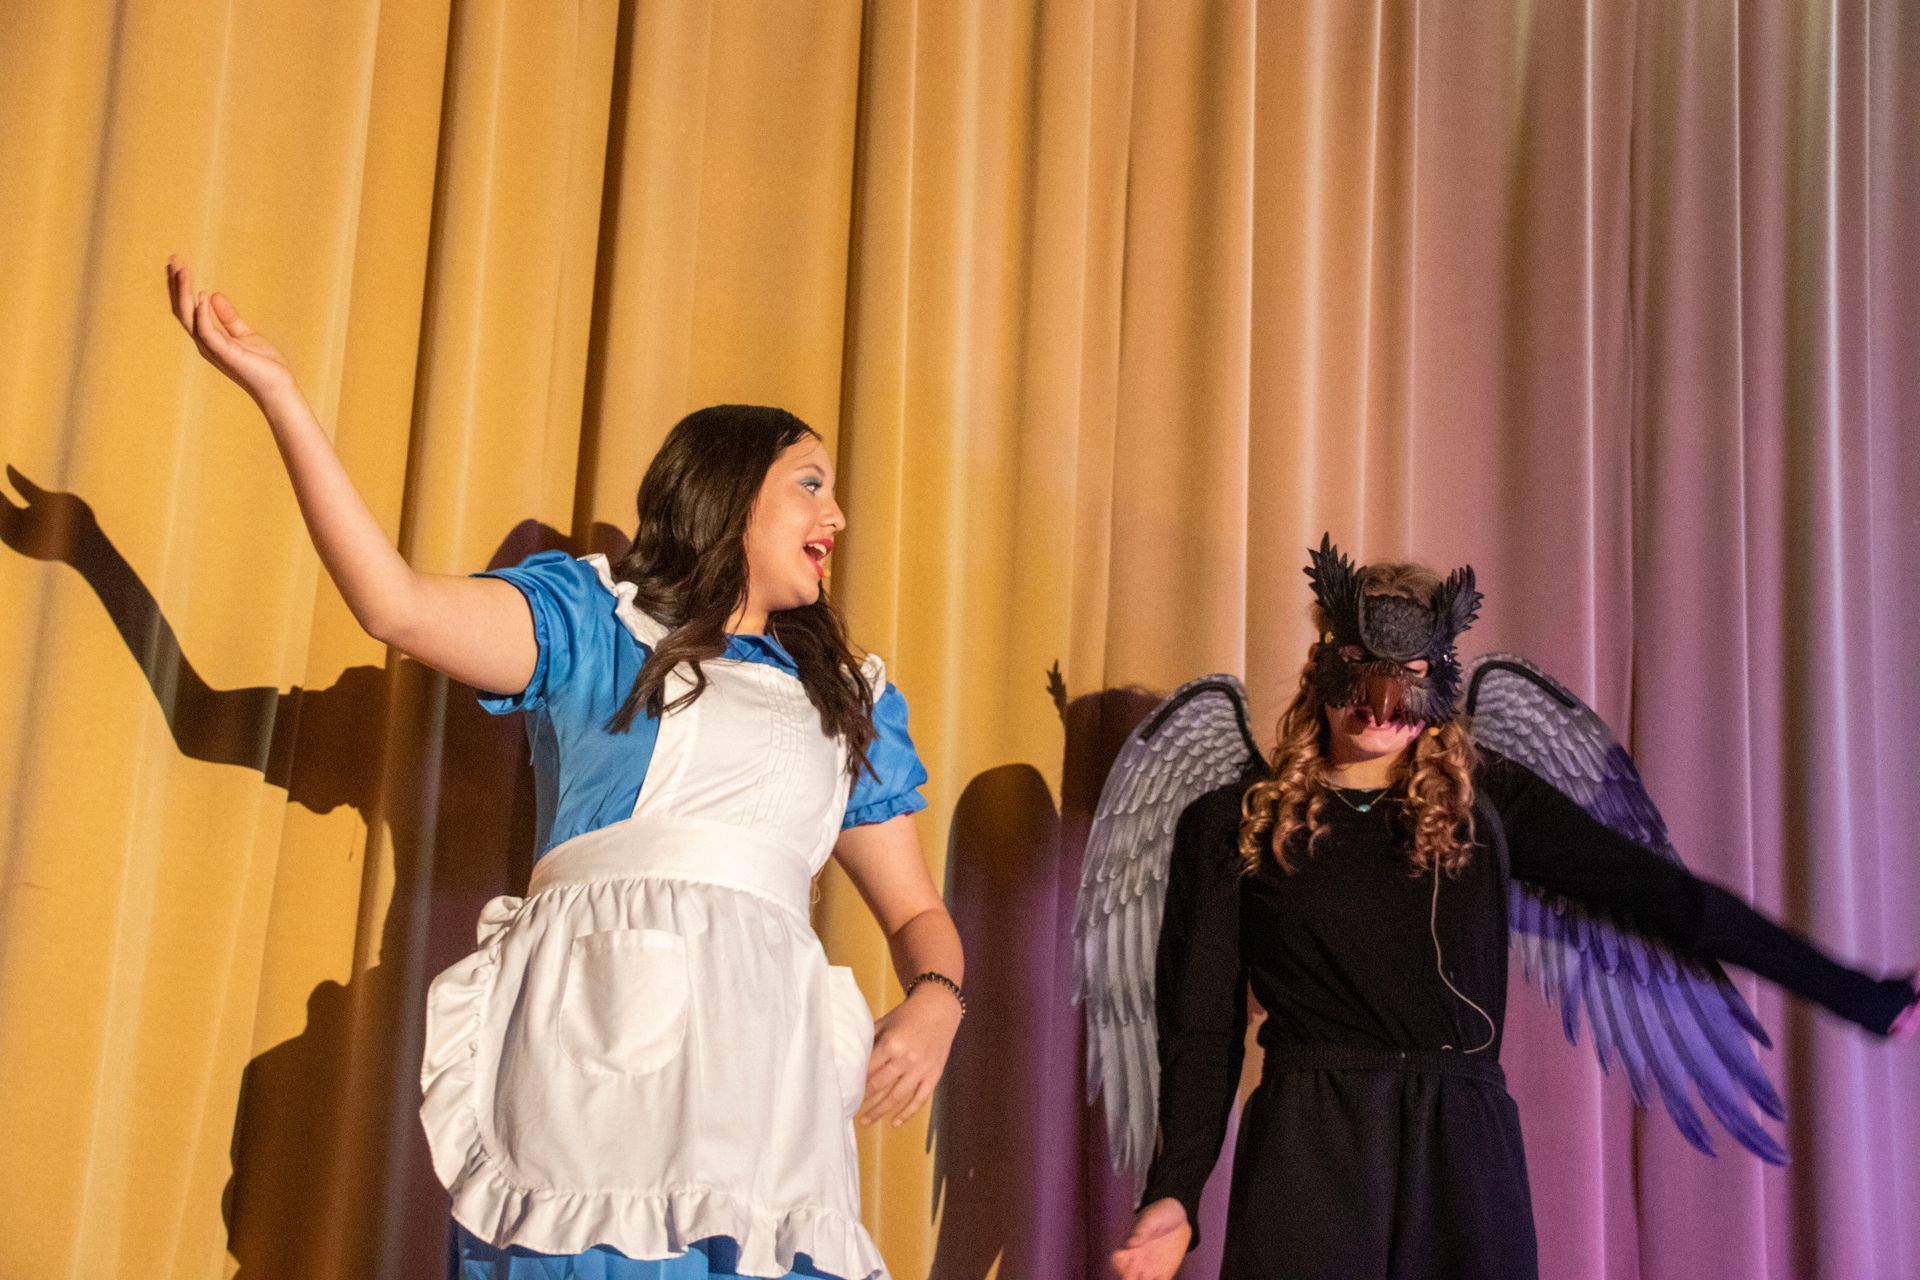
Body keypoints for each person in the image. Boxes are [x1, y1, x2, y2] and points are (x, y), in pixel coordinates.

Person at [166, 259, 964, 1280]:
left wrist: (938, 995)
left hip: (765, 1099)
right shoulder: (597, 622)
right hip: (599, 1063)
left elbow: (915, 914)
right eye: (811, 483)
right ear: (726, 492)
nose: (838, 514)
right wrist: (279, 393)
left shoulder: (844, 696)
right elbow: (396, 605)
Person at [1110, 554, 1917, 1280]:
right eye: (1360, 675)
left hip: (1462, 1148)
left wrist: (1857, 993)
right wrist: (1175, 1192)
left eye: (1407, 680)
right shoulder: (1230, 823)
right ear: (1322, 664)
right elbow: (1200, 1028)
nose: (1381, 707)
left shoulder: (1486, 803)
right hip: (1308, 1146)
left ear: (1440, 678)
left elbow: (1672, 901)